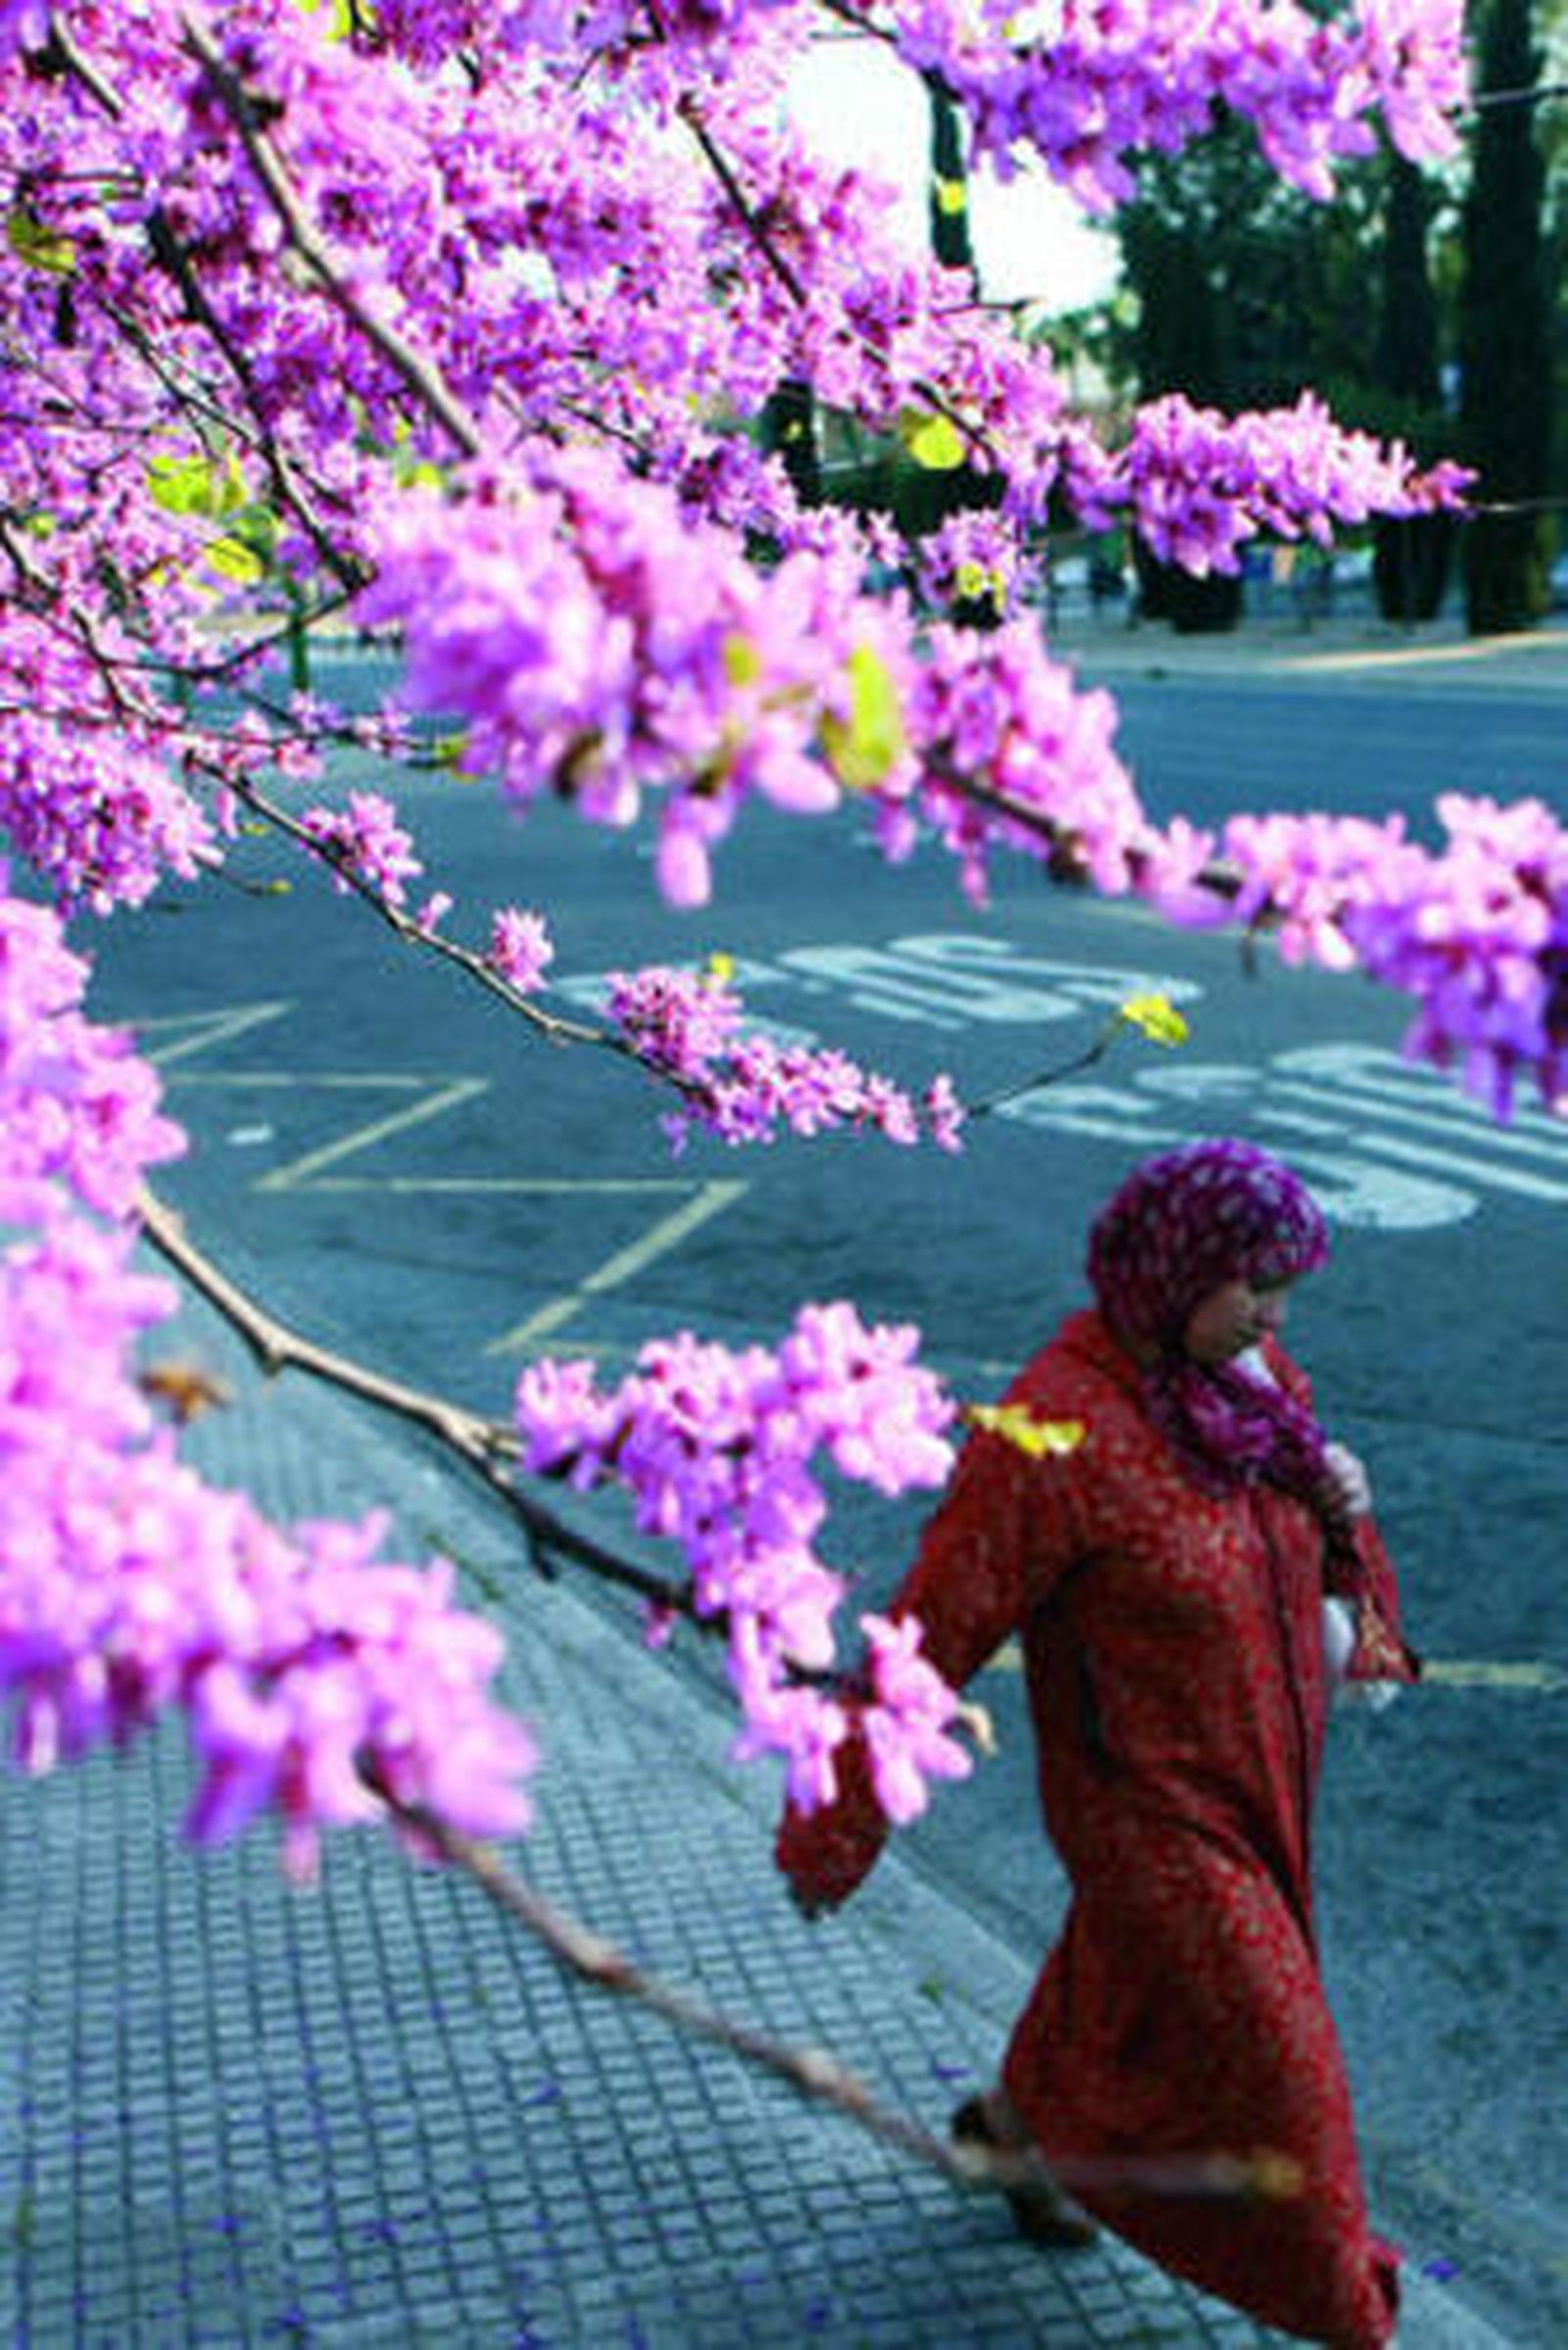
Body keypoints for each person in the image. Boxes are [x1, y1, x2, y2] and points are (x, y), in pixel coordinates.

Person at [776, 1139, 1419, 2350]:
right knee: (1287, 2081)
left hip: (1264, 1776)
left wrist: (1346, 1510)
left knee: (1115, 1986)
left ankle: (1019, 2137)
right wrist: (834, 1824)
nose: (1276, 1315)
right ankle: (1350, 2313)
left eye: (1286, 1289)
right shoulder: (1055, 1429)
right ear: (1176, 1272)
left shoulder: (1251, 1380)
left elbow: (1305, 1538)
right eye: (1254, 1286)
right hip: (1146, 1812)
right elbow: (934, 1624)